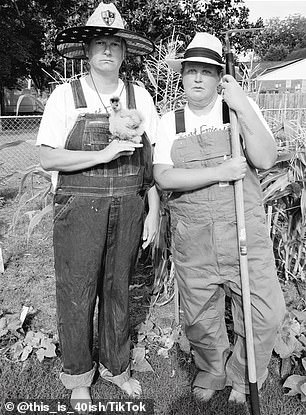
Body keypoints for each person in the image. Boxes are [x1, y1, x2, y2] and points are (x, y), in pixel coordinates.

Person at [36, 2, 160, 410]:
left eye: (114, 44)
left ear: (125, 54)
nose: (107, 51)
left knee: (118, 290)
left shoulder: (139, 96)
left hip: (129, 207)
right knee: (76, 291)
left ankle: (117, 368)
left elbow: (150, 158)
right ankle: (77, 377)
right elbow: (49, 159)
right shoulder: (64, 96)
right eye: (100, 43)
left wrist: (154, 209)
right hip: (78, 209)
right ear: (87, 52)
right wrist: (103, 154)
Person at [153, 32, 286, 404]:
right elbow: (164, 177)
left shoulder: (239, 110)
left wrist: (243, 106)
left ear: (218, 78)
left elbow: (264, 159)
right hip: (192, 235)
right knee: (199, 317)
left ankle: (244, 375)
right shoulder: (170, 122)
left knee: (266, 314)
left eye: (207, 72)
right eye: (191, 71)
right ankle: (212, 368)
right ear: (182, 76)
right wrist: (220, 172)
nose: (197, 78)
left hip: (243, 229)